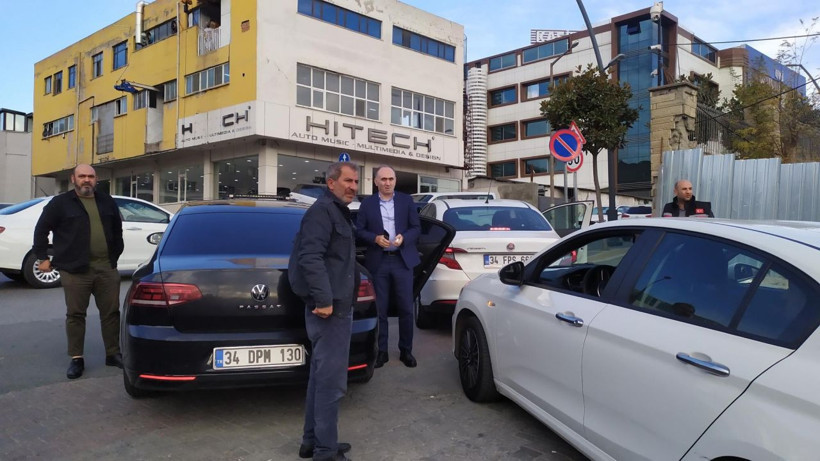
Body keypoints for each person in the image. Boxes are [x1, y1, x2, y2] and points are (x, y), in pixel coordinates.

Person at [288, 161, 359, 461]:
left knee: (320, 379)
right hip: (331, 311)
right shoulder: (322, 212)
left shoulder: (336, 211)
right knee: (331, 384)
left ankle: (312, 441)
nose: (353, 187)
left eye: (356, 182)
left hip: (335, 308)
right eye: (347, 181)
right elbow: (310, 257)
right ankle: (325, 452)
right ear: (331, 183)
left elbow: (334, 257)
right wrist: (324, 299)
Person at [32, 164, 124, 380]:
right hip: (75, 269)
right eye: (82, 176)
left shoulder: (106, 201)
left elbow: (117, 232)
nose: (86, 180)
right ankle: (76, 358)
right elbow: (41, 229)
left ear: (96, 179)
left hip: (105, 268)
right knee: (75, 315)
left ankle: (113, 353)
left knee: (111, 313)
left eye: (90, 176)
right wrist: (42, 257)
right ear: (73, 179)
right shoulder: (61, 203)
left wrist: (114, 258)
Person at [356, 165, 421, 368]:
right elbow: (359, 231)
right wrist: (374, 238)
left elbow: (416, 228)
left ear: (395, 181)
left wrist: (405, 238)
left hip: (402, 260)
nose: (387, 183)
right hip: (379, 261)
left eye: (391, 179)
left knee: (405, 308)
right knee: (380, 309)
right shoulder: (367, 204)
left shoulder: (406, 200)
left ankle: (406, 351)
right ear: (375, 182)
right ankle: (381, 351)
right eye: (383, 179)